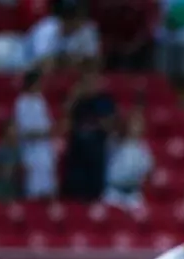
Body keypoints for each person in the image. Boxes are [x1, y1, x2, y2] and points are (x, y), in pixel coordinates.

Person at [61, 64, 116, 201]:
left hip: (96, 159)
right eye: (86, 81)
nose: (90, 84)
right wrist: (73, 96)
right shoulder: (77, 102)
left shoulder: (104, 101)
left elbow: (110, 125)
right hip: (76, 159)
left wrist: (97, 121)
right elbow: (64, 119)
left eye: (93, 80)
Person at [13, 70, 55, 200]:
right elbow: (23, 132)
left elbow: (48, 125)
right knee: (33, 191)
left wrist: (49, 132)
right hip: (30, 151)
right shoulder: (21, 103)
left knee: (48, 189)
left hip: (45, 149)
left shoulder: (40, 100)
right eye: (38, 83)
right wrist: (42, 134)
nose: (41, 86)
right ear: (31, 84)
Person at [103, 110, 154, 210]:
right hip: (113, 192)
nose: (136, 128)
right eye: (134, 124)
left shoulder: (144, 147)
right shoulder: (114, 141)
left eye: (139, 125)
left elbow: (148, 171)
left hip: (133, 194)